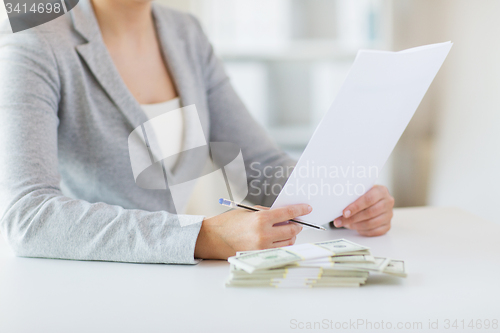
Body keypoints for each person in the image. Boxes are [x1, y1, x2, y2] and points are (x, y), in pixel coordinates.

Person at [0, 0, 394, 263]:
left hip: (186, 283)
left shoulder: (184, 31)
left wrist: (338, 199)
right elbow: (28, 215)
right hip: (94, 289)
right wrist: (202, 236)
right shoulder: (34, 42)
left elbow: (257, 164)